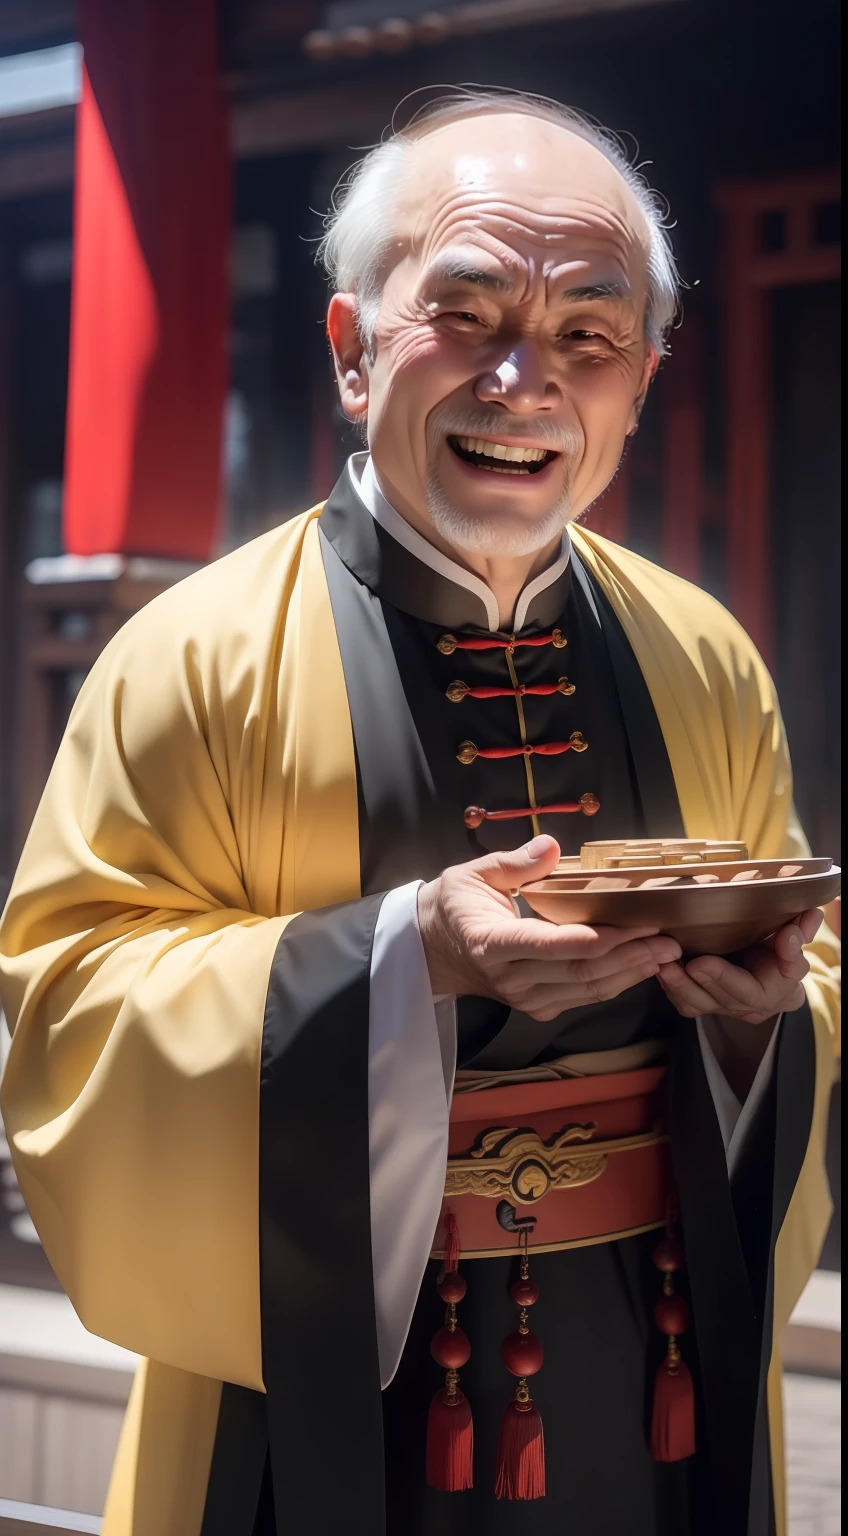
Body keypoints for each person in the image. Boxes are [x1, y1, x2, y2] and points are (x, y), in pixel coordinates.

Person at [0, 88, 839, 1536]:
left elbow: (807, 988)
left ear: (640, 378)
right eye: (467, 313)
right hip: (325, 1372)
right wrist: (406, 958)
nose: (527, 380)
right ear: (347, 350)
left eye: (589, 331)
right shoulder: (195, 654)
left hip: (654, 1356)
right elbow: (69, 1011)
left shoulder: (705, 653)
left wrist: (763, 1020)